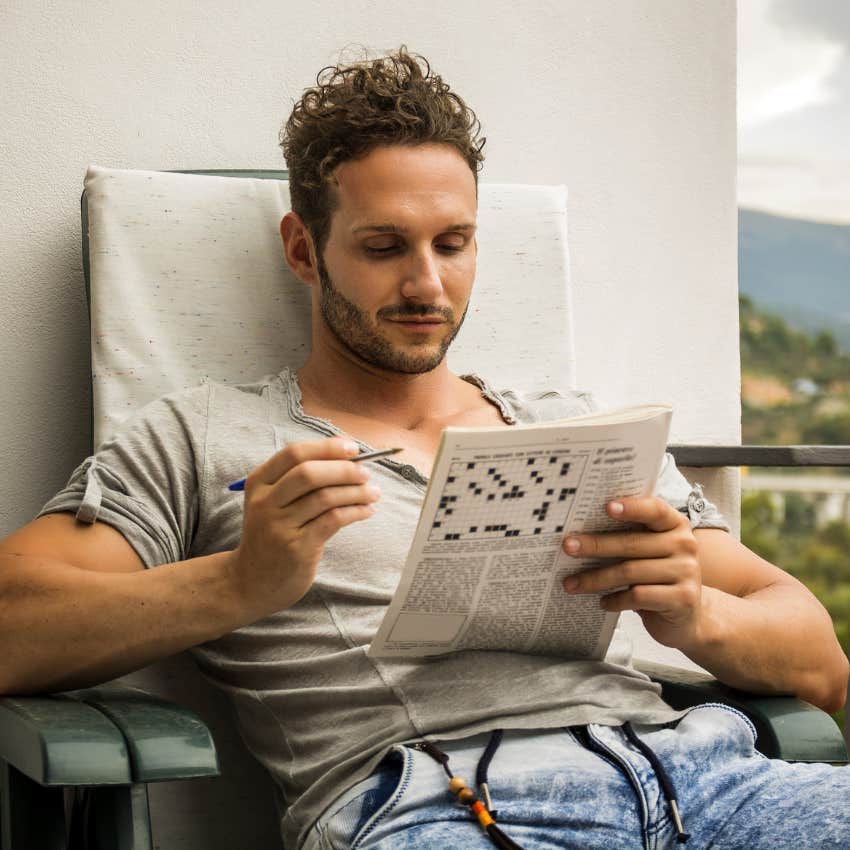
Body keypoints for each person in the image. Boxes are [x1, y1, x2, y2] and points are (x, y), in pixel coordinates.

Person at [1, 47, 848, 850]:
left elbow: (817, 656)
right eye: (383, 247)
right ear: (304, 249)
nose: (426, 285)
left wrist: (696, 612)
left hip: (702, 775)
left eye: (453, 244)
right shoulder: (204, 435)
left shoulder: (581, 434)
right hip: (441, 802)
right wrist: (237, 582)